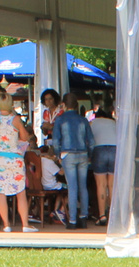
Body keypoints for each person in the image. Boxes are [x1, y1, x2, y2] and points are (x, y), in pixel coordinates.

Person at [0, 90, 35, 232]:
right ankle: (25, 224)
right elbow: (24, 137)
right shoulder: (15, 119)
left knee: (0, 192)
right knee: (20, 192)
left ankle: (6, 225)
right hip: (15, 158)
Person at [51, 92, 92, 230]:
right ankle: (84, 217)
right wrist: (89, 154)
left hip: (67, 153)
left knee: (72, 187)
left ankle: (73, 220)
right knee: (83, 186)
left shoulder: (60, 119)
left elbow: (56, 141)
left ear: (63, 104)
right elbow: (91, 141)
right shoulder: (83, 120)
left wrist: (58, 155)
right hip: (83, 153)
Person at [88, 104, 116, 224]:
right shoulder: (113, 123)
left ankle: (102, 215)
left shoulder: (92, 123)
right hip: (115, 149)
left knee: (101, 185)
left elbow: (89, 139)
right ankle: (114, 215)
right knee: (112, 185)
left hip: (99, 150)